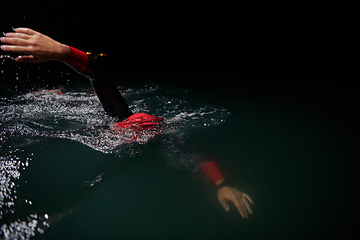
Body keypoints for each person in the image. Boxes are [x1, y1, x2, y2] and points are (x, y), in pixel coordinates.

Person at [1, 28, 253, 218]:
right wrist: (61, 51)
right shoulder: (119, 118)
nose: (122, 134)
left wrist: (222, 185)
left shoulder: (156, 137)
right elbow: (98, 74)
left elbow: (196, 156)